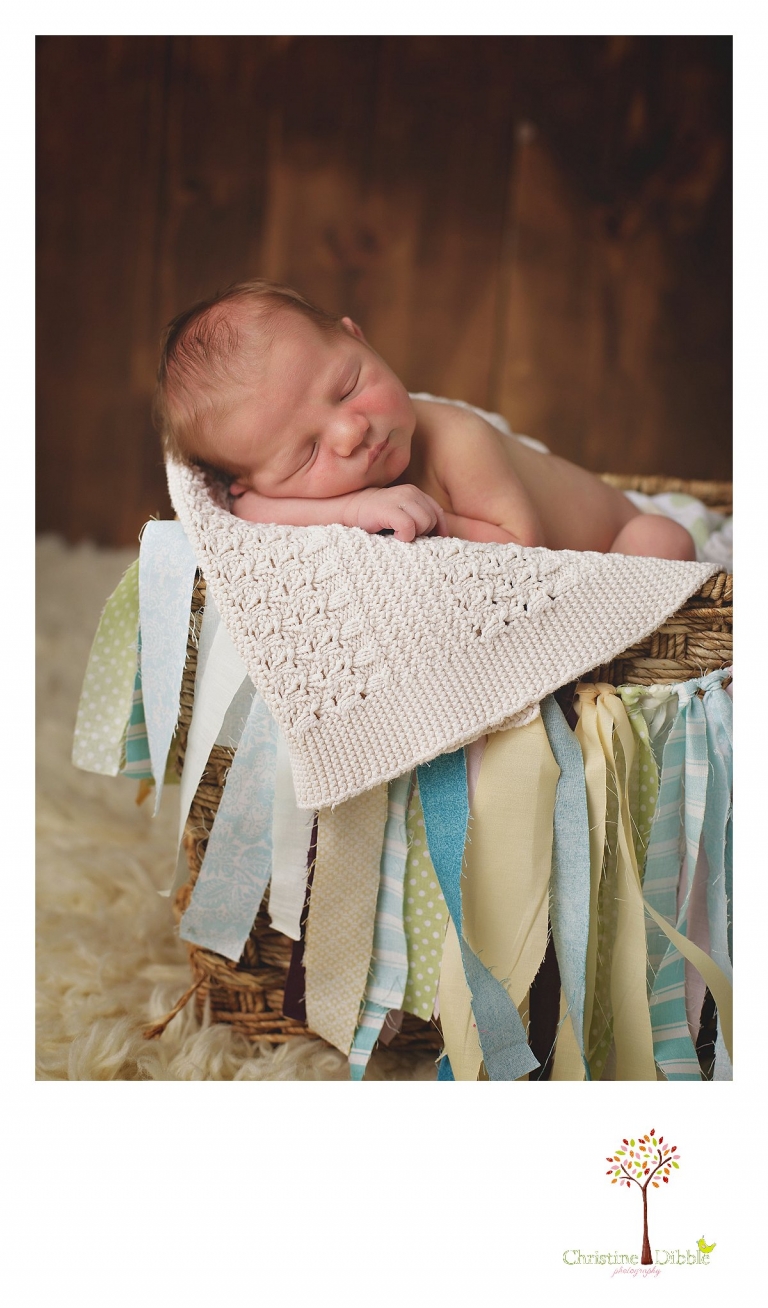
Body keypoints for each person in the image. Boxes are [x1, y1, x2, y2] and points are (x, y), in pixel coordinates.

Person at [154, 279, 696, 559]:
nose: (351, 432)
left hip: (613, 536)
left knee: (661, 540)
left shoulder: (460, 440)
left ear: (359, 339)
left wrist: (431, 519)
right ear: (247, 476)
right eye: (307, 454)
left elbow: (523, 548)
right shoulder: (257, 490)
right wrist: (358, 508)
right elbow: (247, 511)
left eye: (348, 388)